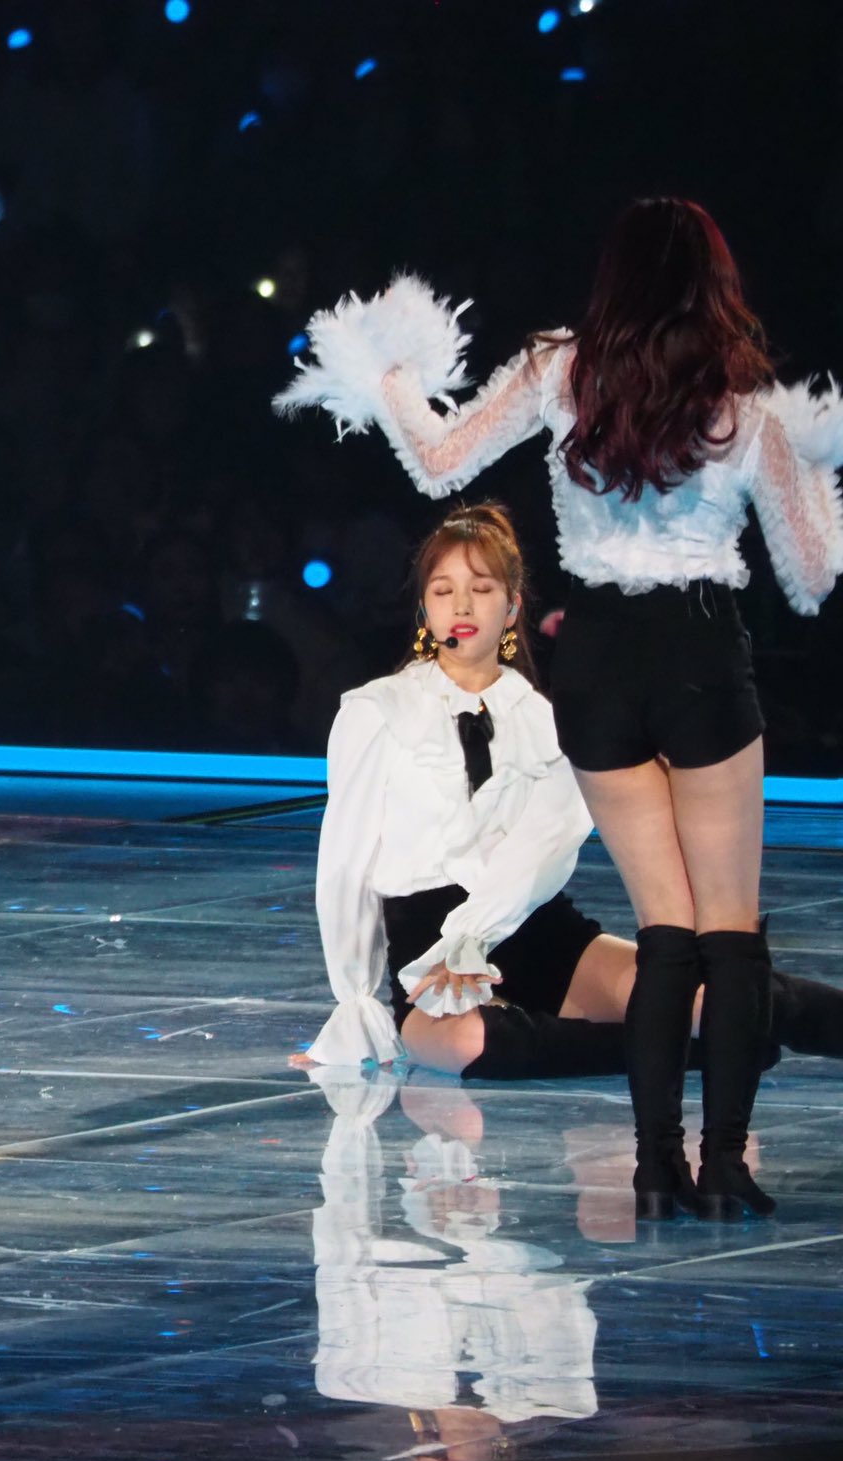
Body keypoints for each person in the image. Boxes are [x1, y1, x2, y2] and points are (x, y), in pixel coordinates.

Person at [275, 198, 843, 1220]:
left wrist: (384, 374)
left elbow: (438, 459)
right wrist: (814, 464)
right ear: (712, 288)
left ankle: (656, 1165)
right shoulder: (740, 406)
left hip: (594, 660)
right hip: (696, 650)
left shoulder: (557, 370)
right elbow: (810, 572)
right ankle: (721, 1164)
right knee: (726, 935)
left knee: (665, 932)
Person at [304, 503, 843, 1085]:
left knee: (711, 998)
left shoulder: (549, 723)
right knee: (469, 1044)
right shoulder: (376, 712)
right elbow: (345, 866)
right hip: (428, 959)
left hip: (537, 936)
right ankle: (690, 1050)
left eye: (481, 590)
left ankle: (717, 1035)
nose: (461, 607)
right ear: (423, 608)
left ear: (512, 607)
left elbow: (546, 847)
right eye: (443, 591)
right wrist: (356, 1000)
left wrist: (472, 934)